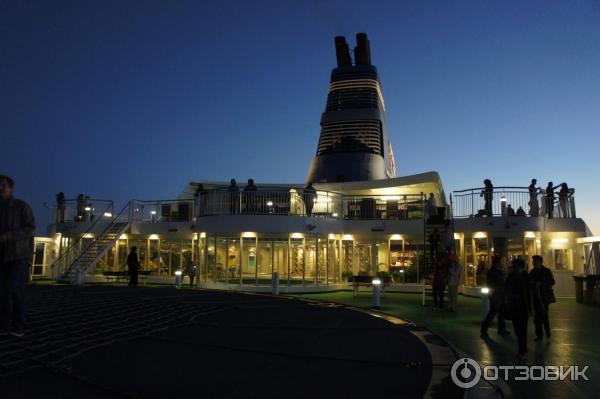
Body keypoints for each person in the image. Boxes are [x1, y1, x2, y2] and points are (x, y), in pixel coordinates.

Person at [0, 175, 36, 337]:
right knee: (2, 291)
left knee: (14, 288)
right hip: (2, 255)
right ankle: (4, 325)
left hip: (18, 255)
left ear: (10, 187)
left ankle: (18, 325)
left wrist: (10, 236)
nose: (0, 188)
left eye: (3, 185)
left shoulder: (21, 207)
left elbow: (31, 227)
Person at [504, 258, 532, 358]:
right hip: (524, 306)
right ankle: (523, 349)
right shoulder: (526, 276)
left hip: (515, 306)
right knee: (523, 329)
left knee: (518, 329)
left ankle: (522, 349)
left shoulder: (512, 277)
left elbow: (506, 289)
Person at [480, 256, 511, 337]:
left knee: (499, 312)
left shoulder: (495, 271)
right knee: (494, 312)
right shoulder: (494, 272)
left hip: (498, 294)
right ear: (498, 263)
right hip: (497, 295)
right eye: (501, 261)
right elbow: (495, 283)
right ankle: (485, 328)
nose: (503, 263)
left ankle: (500, 329)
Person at [529, 255, 555, 341]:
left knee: (543, 314)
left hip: (544, 296)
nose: (533, 263)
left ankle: (546, 331)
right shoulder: (532, 272)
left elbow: (552, 282)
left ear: (540, 262)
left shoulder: (546, 271)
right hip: (536, 296)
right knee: (538, 316)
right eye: (533, 261)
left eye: (534, 261)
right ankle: (540, 334)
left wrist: (541, 284)